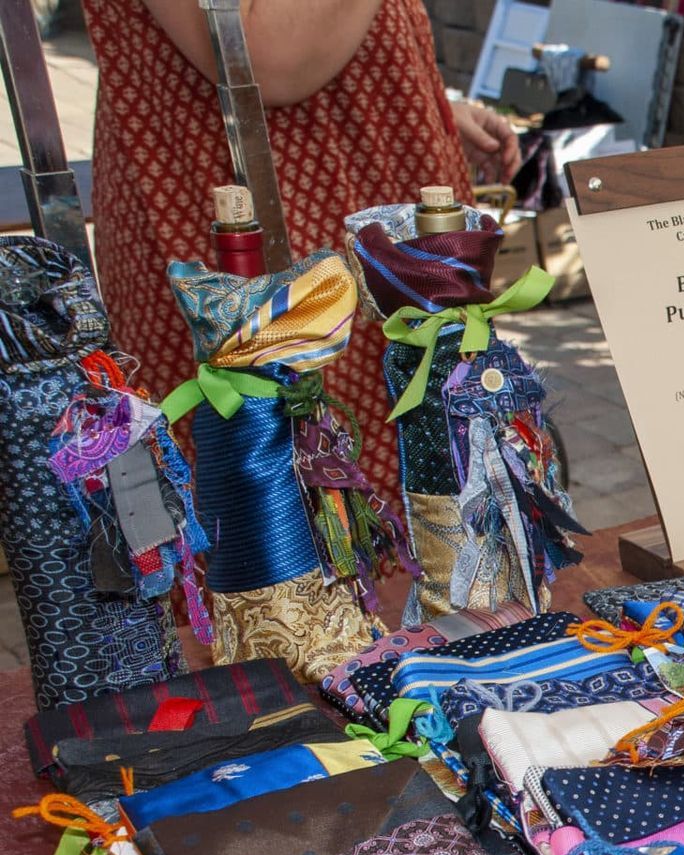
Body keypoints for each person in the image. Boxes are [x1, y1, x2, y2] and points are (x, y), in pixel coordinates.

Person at [83, 0, 523, 502]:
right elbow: (262, 54)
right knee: (299, 494)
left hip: (345, 181)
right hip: (257, 208)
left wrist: (410, 96)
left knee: (432, 474)